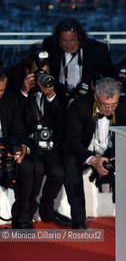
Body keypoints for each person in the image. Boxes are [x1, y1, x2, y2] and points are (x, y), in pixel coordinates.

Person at [61, 77, 126, 229]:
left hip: (111, 151)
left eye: (114, 105)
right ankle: (79, 220)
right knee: (70, 164)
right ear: (95, 97)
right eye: (105, 105)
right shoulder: (80, 105)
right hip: (83, 151)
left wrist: (112, 158)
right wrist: (92, 159)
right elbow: (72, 140)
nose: (109, 109)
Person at [16, 49, 72, 227]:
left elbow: (63, 122)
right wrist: (24, 91)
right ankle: (26, 213)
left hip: (50, 144)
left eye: (45, 71)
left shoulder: (59, 89)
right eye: (38, 72)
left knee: (58, 172)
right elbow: (16, 118)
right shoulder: (21, 90)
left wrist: (51, 96)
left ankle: (47, 208)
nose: (42, 75)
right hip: (30, 144)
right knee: (36, 170)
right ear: (28, 72)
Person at [42, 17, 117, 99]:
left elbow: (110, 74)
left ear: (79, 38)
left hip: (86, 96)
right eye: (64, 41)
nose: (68, 45)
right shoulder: (50, 47)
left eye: (72, 40)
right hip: (58, 96)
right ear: (58, 39)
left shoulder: (97, 50)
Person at [0, 67, 35, 229]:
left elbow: (19, 129)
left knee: (27, 166)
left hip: (6, 147)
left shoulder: (10, 99)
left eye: (1, 90)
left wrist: (23, 148)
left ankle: (22, 217)